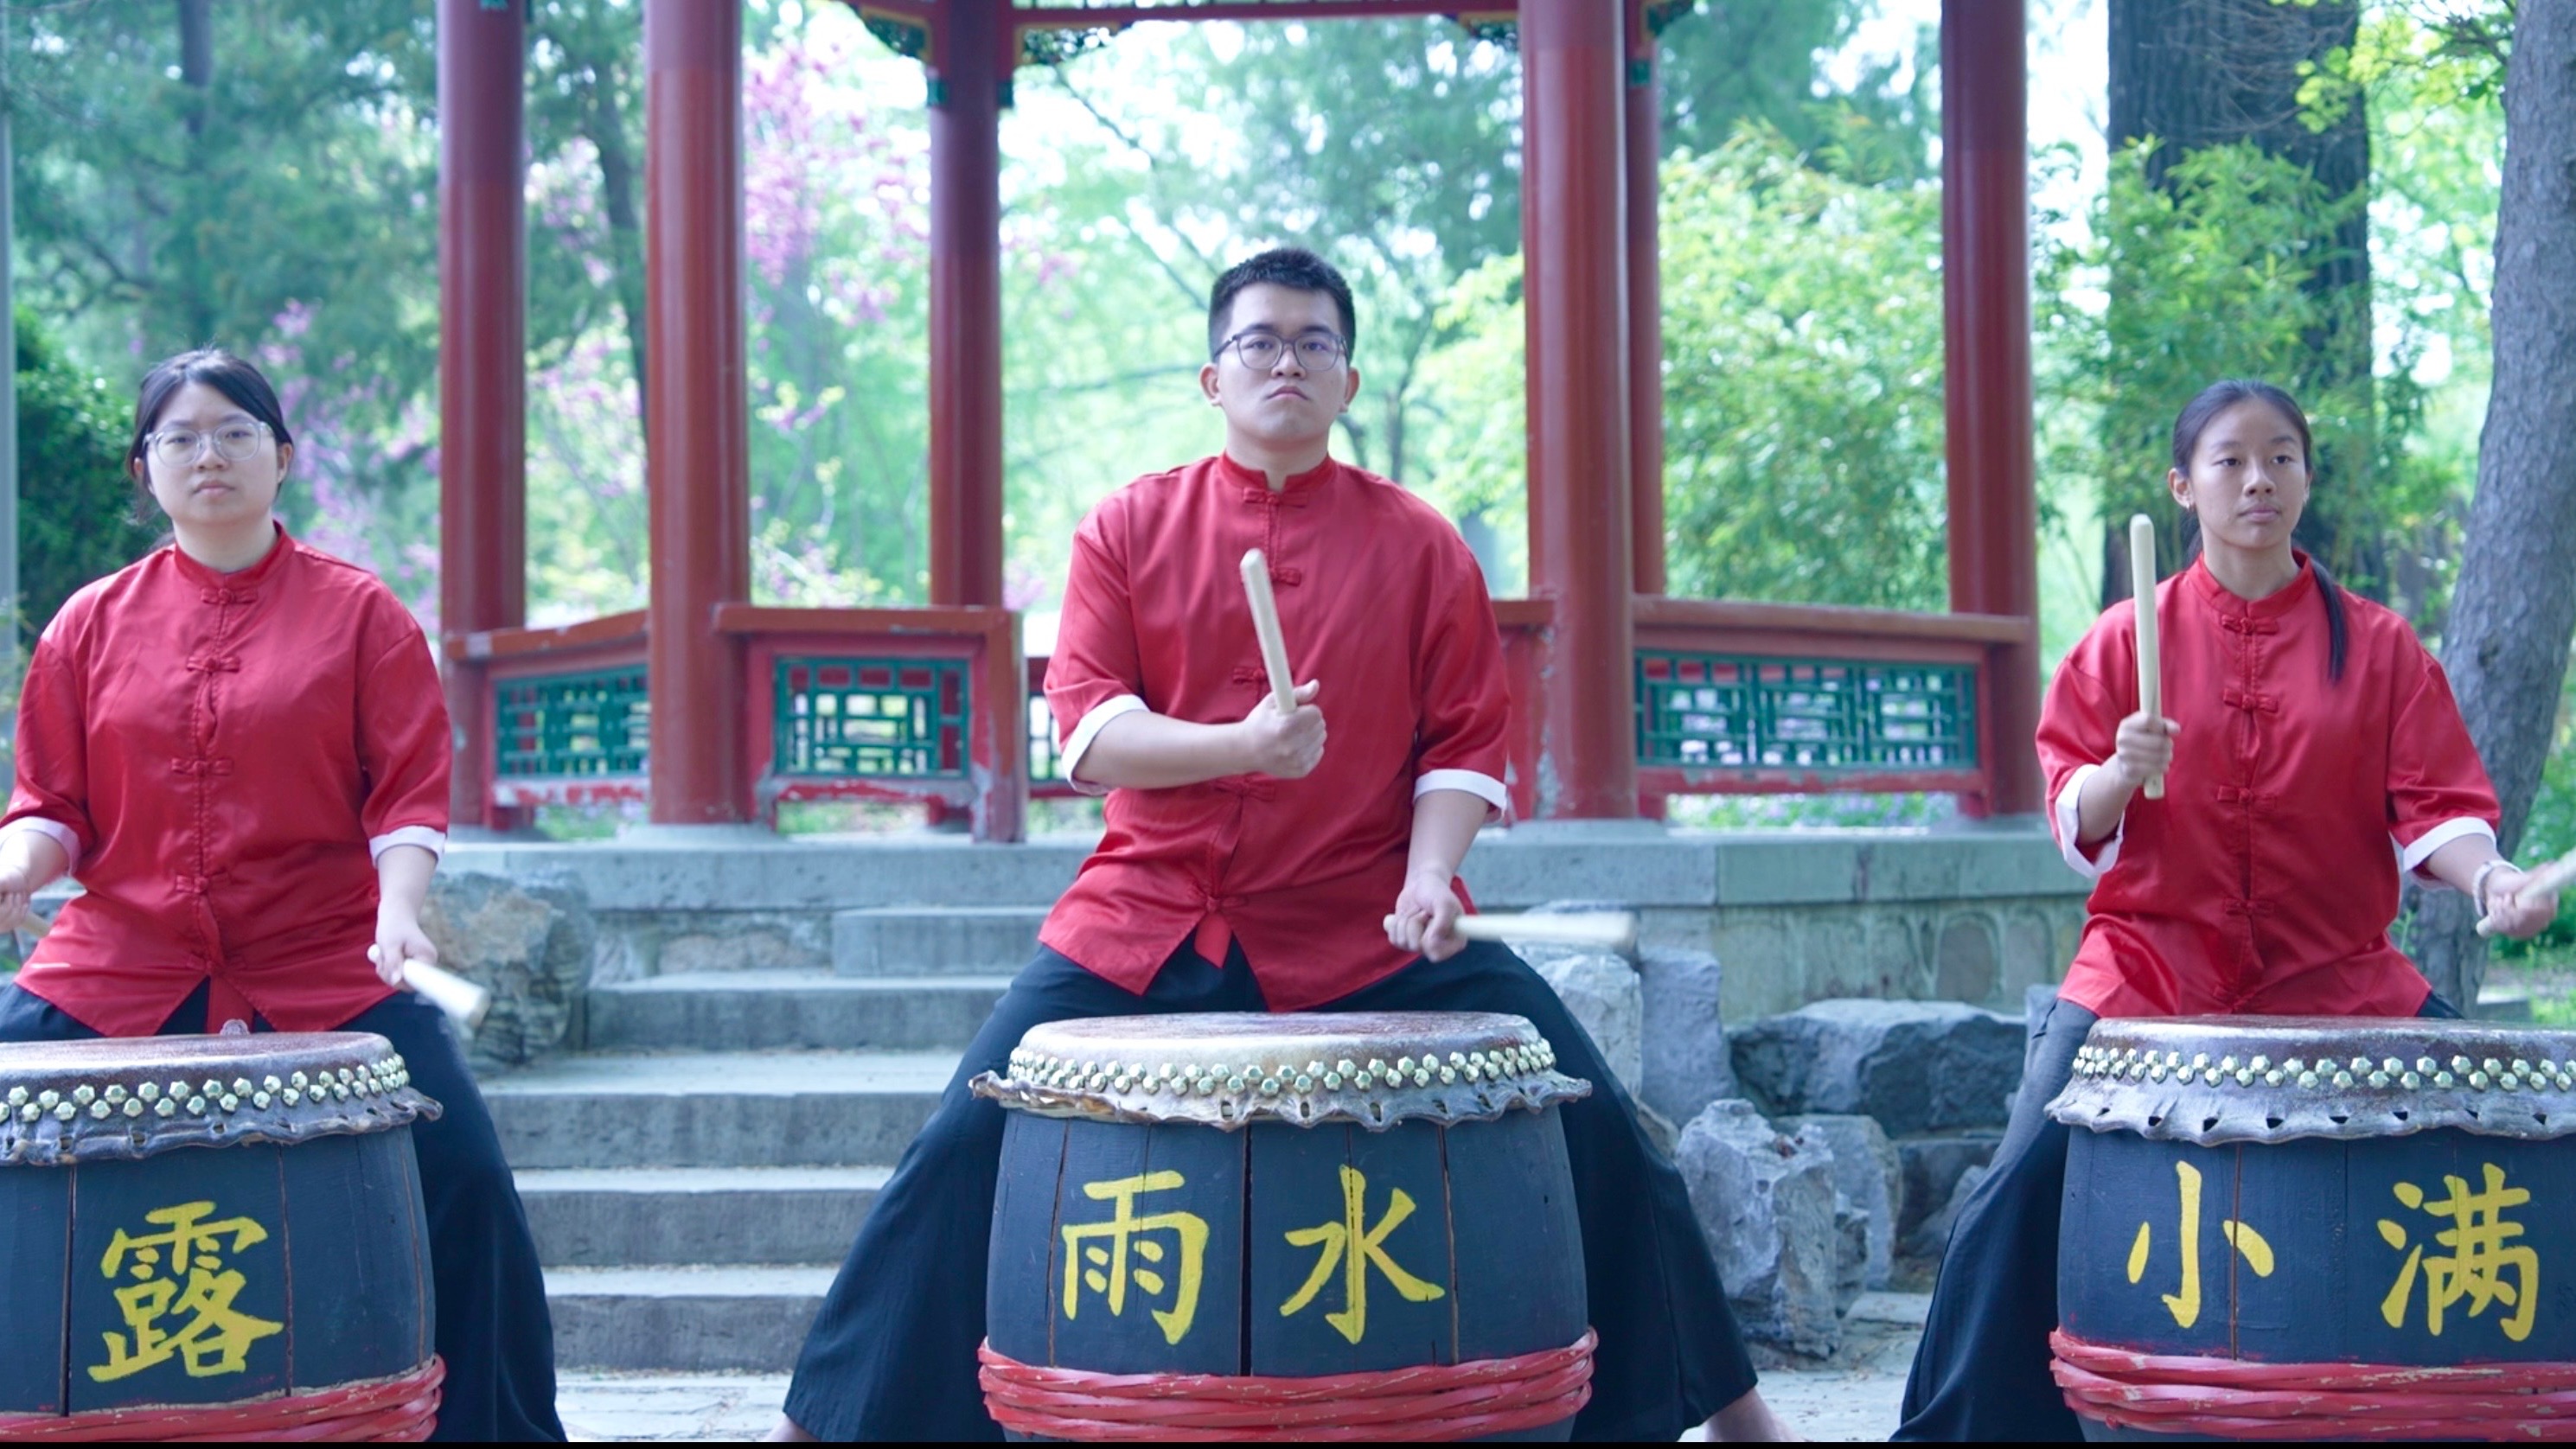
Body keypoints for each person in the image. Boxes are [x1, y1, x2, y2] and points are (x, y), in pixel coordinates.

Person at [770, 248, 1792, 1442]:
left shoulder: (1421, 546)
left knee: (1592, 1117)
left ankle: (1735, 1417)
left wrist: (1428, 877)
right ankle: (816, 1429)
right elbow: (1089, 735)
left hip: (1363, 920)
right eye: (1259, 340)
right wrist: (1242, 744)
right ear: (1214, 377)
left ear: (1348, 381)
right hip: (1148, 915)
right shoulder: (1128, 527)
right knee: (959, 1142)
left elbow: (1463, 748)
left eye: (1315, 342)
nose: (1286, 361)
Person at [1895, 379, 2563, 1440]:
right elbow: (2074, 813)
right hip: (2146, 970)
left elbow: (2438, 811)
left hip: (2334, 973)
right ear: (2184, 485)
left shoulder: (2380, 647)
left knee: (2514, 1139)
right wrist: (2121, 771)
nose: (2260, 479)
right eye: (2232, 459)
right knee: (2016, 1187)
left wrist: (2491, 879)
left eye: (2282, 456)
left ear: (2306, 477)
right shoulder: (2124, 640)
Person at [0, 349, 565, 1443]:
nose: (208, 455)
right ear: (145, 468)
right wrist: (18, 868)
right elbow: (51, 804)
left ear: (284, 456)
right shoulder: (87, 623)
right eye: (179, 437)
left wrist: (399, 912)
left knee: (466, 1180)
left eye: (235, 431)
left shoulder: (362, 615)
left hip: (325, 956)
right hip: (123, 954)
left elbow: (406, 797)